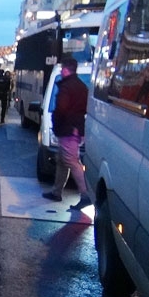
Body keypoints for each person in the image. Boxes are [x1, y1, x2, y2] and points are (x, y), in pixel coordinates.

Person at [42, 57, 92, 210]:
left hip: (67, 130)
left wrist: (56, 125)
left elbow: (60, 110)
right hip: (75, 128)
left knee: (71, 161)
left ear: (65, 70)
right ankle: (56, 192)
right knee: (62, 161)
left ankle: (85, 195)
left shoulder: (66, 87)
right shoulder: (82, 87)